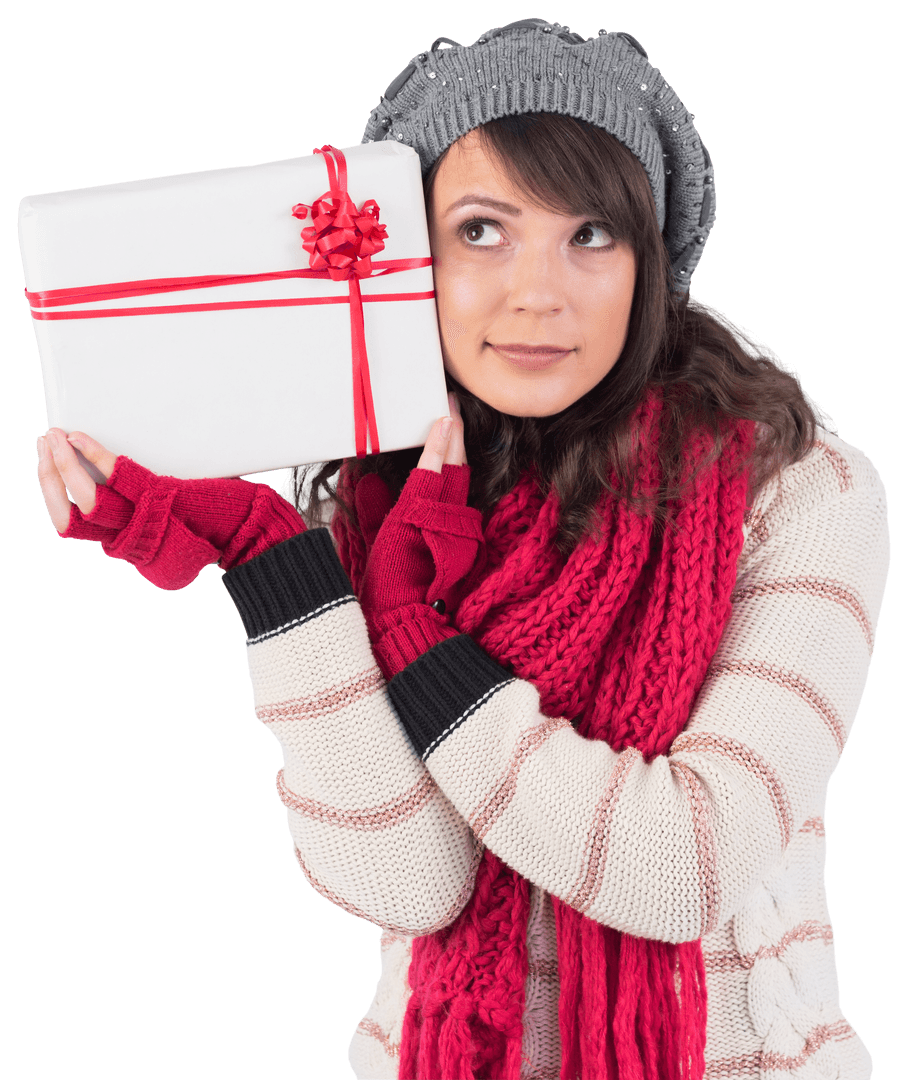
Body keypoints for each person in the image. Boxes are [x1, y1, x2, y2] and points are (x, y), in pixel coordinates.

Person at [35, 19, 889, 1080]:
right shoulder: (369, 496)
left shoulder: (800, 491)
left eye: (592, 235)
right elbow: (408, 885)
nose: (539, 292)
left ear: (649, 262)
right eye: (482, 230)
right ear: (407, 257)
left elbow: (681, 869)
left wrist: (413, 635)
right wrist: (269, 564)